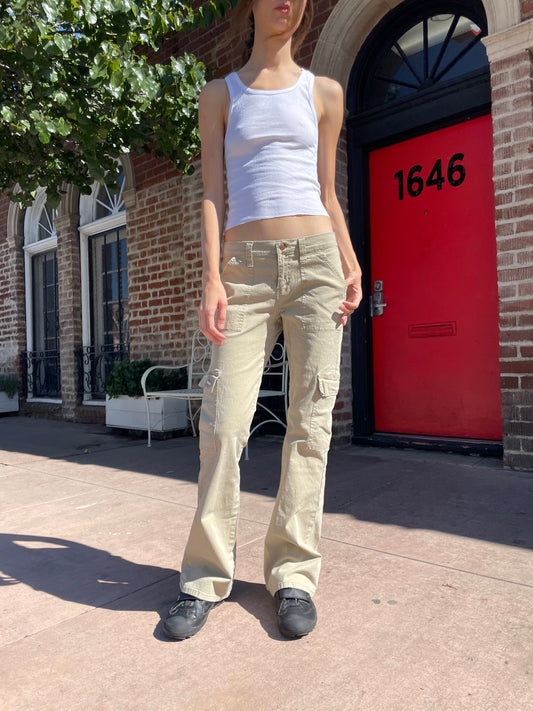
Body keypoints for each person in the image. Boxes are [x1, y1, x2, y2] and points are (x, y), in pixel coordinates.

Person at [163, 0, 362, 640]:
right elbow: (213, 192)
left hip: (317, 266)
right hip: (244, 271)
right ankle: (204, 576)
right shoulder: (219, 94)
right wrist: (212, 276)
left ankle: (294, 575)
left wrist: (351, 262)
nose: (291, 3)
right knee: (224, 421)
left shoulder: (324, 92)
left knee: (311, 421)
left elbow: (327, 191)